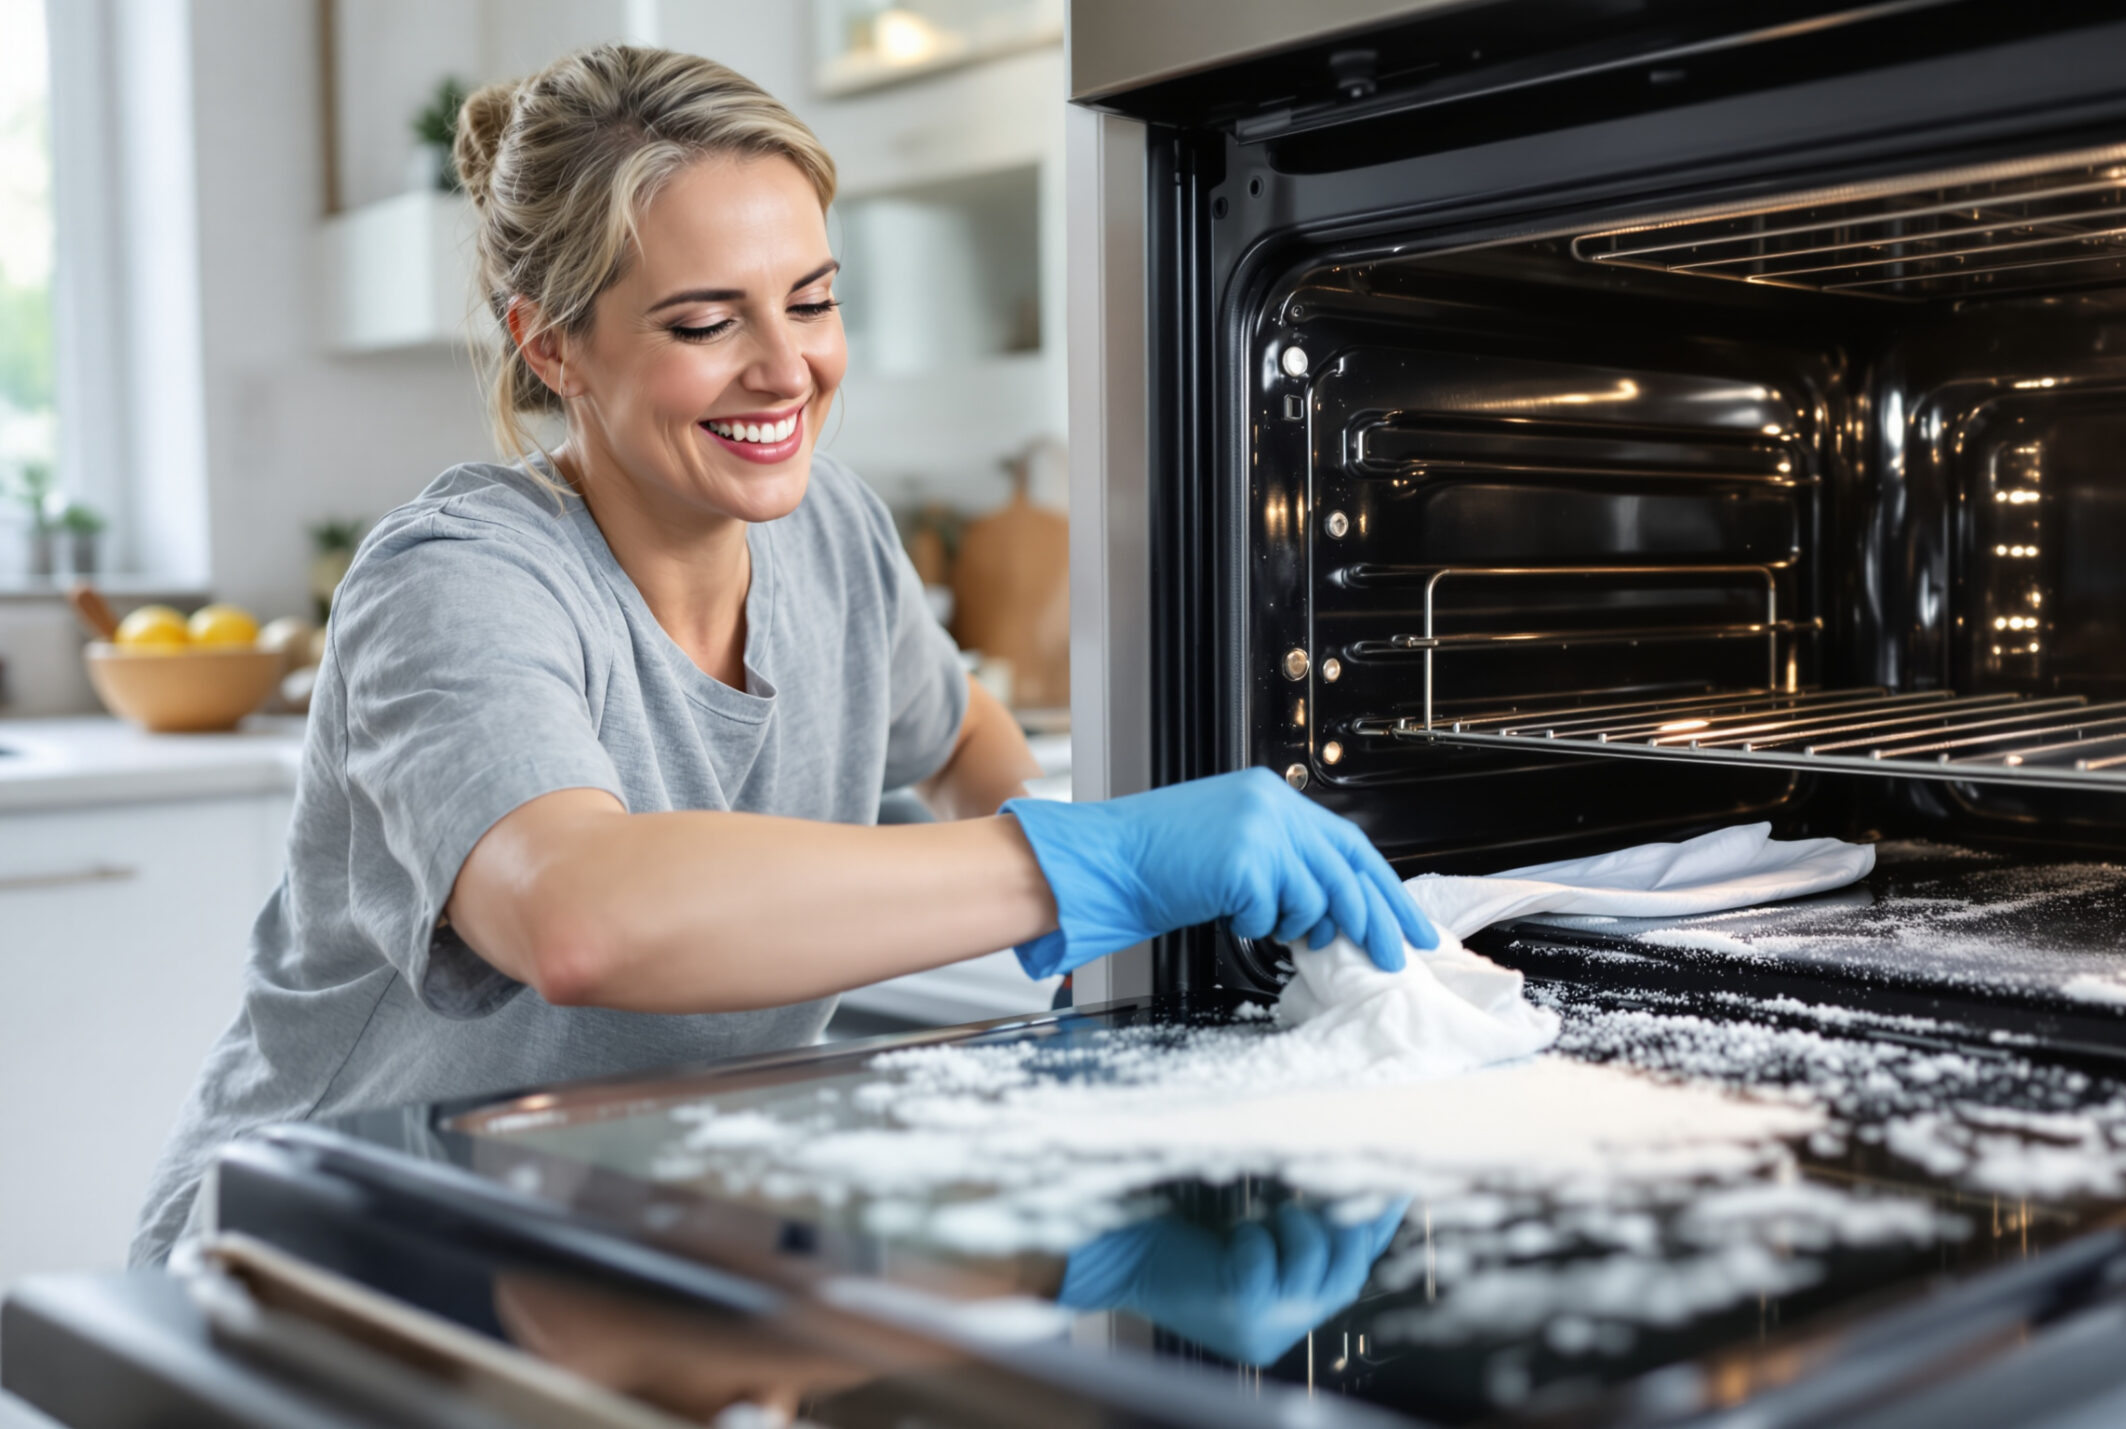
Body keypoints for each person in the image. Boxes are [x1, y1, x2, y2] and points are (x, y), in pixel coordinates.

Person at [128, 45, 1429, 1268]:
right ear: (551, 344)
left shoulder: (835, 534)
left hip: (612, 1241)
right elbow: (581, 915)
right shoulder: (458, 582)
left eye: (811, 300)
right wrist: (1100, 864)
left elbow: (960, 731)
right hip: (322, 1248)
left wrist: (1081, 925)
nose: (785, 369)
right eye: (705, 322)